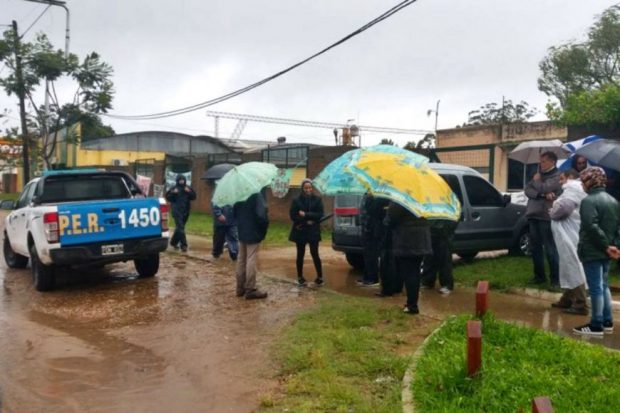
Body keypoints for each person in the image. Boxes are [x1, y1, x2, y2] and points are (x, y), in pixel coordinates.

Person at [573, 167, 618, 336]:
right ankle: (607, 321)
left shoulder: (589, 201)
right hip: (607, 250)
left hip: (593, 249)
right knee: (604, 285)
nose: (581, 185)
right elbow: (617, 228)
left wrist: (606, 245)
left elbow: (591, 227)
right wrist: (613, 246)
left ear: (590, 182)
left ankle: (596, 324)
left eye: (583, 181)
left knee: (595, 288)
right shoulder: (613, 200)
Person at [548, 169, 588, 315]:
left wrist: (552, 211)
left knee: (573, 265)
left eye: (562, 178)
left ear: (570, 177)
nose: (560, 181)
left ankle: (580, 304)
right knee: (568, 265)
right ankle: (568, 298)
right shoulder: (576, 189)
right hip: (570, 233)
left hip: (569, 235)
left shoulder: (572, 188)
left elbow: (564, 210)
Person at [524, 151, 562, 289]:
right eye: (541, 161)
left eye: (544, 161)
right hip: (533, 213)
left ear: (552, 162)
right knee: (535, 248)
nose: (541, 164)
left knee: (550, 248)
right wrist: (541, 195)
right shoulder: (538, 175)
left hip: (546, 216)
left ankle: (555, 280)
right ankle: (539, 276)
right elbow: (527, 190)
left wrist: (537, 182)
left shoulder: (557, 175)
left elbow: (547, 187)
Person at [386, 201, 432, 314]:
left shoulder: (400, 199)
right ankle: (412, 303)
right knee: (415, 272)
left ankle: (412, 305)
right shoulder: (423, 199)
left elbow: (391, 218)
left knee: (409, 273)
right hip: (421, 240)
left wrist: (386, 219)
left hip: (407, 240)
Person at [233, 191, 269, 300]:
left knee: (241, 259)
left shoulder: (238, 195)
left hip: (242, 230)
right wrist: (264, 228)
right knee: (251, 259)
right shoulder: (256, 195)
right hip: (253, 231)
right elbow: (261, 215)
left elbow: (234, 212)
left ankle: (240, 288)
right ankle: (250, 289)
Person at [289, 179, 324, 286]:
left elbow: (320, 214)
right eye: (306, 188)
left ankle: (320, 277)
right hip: (300, 230)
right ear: (302, 189)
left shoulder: (317, 200)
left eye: (310, 188)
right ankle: (300, 276)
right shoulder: (296, 201)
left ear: (312, 188)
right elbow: (293, 215)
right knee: (300, 254)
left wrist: (306, 215)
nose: (308, 190)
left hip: (313, 231)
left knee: (315, 254)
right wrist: (305, 221)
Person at [421, 219, 458, 295]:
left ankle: (447, 284)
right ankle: (427, 281)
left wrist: (448, 227)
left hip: (445, 229)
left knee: (444, 259)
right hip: (431, 227)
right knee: (429, 257)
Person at [359, 193, 388, 286]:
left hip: (375, 230)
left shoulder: (380, 198)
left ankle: (373, 278)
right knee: (367, 254)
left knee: (372, 254)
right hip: (367, 227)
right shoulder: (367, 196)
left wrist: (370, 199)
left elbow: (372, 210)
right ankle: (367, 275)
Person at [165, 174, 196, 252]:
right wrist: (173, 193)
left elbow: (194, 197)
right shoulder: (174, 188)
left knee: (180, 228)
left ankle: (173, 242)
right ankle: (184, 245)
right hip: (176, 210)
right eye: (180, 180)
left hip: (185, 211)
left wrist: (189, 192)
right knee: (180, 227)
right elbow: (168, 197)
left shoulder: (187, 188)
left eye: (183, 179)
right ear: (177, 180)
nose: (182, 181)